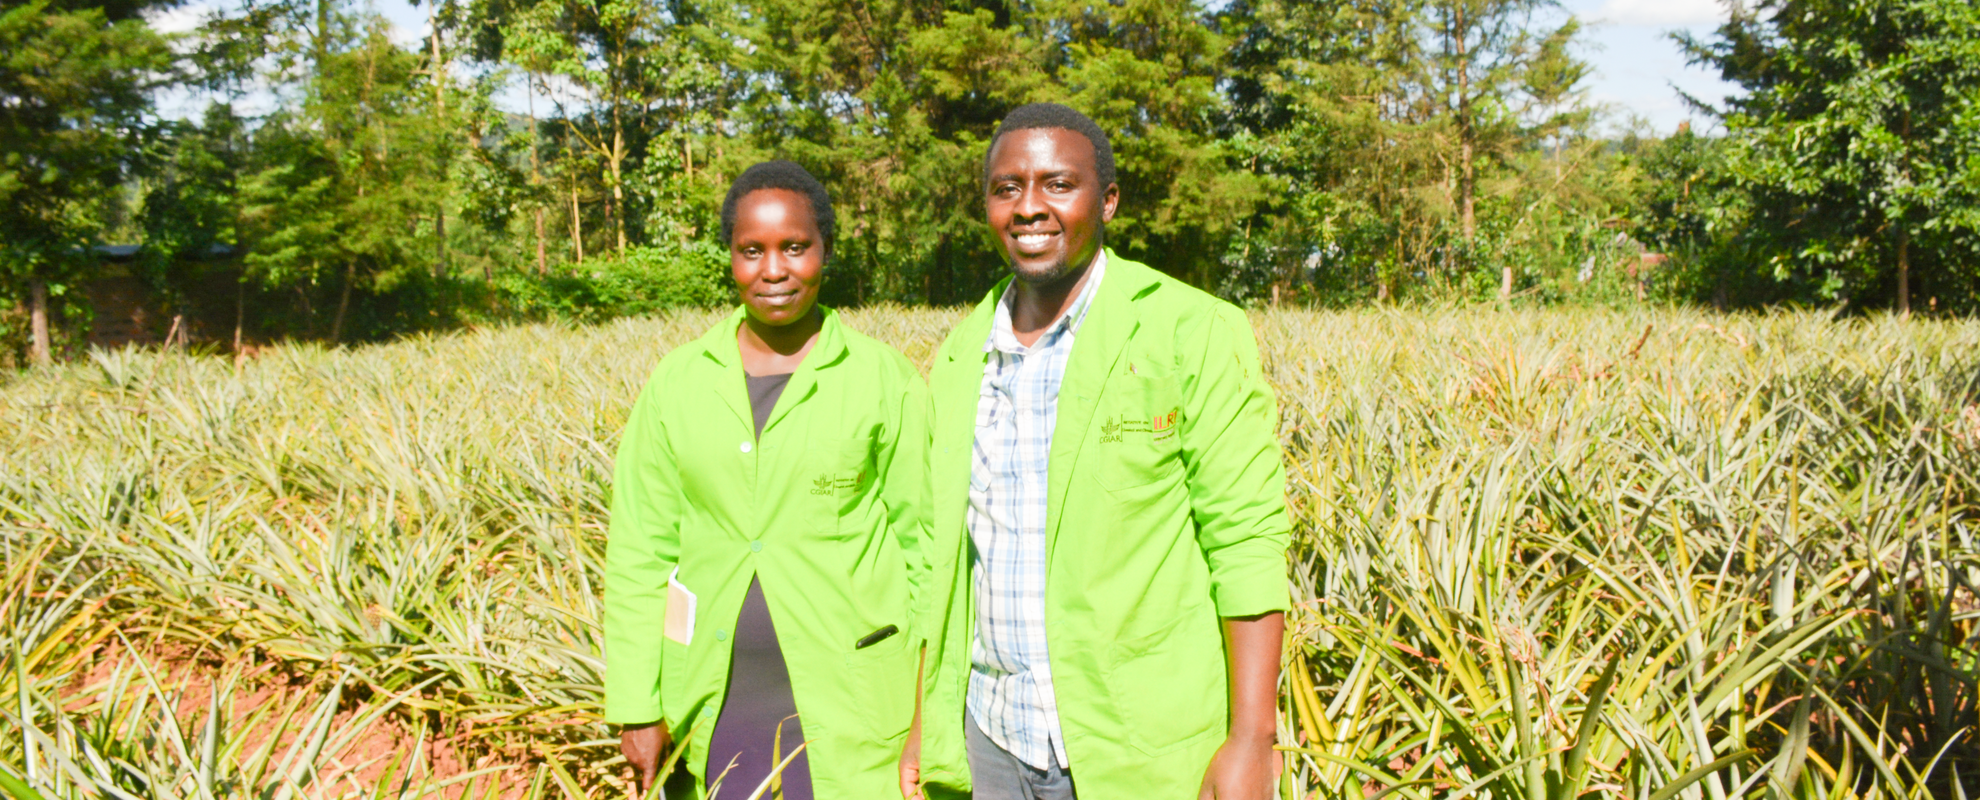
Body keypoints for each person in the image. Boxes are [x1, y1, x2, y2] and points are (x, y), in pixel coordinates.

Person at [899, 104, 1291, 800]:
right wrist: (924, 726)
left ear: (1107, 200)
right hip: (990, 738)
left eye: (1057, 184)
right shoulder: (962, 353)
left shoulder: (1189, 330)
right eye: (1006, 188)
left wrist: (1252, 738)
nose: (1029, 208)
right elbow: (944, 557)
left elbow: (1245, 537)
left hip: (1140, 745)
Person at [605, 160, 931, 799]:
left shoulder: (881, 379)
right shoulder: (678, 382)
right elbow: (640, 551)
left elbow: (928, 556)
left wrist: (927, 720)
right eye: (751, 250)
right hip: (709, 702)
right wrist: (636, 704)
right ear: (729, 257)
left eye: (795, 248)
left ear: (825, 251)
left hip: (859, 709)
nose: (773, 270)